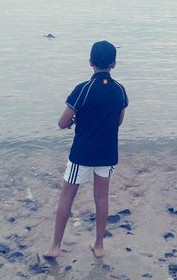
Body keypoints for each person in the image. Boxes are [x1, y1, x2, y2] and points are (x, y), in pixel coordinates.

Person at [44, 40, 128, 259]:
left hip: (81, 153)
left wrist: (76, 122)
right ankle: (99, 246)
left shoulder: (83, 89)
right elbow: (118, 122)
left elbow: (63, 123)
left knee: (66, 197)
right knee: (101, 198)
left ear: (90, 62)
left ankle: (55, 246)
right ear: (114, 63)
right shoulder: (120, 91)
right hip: (107, 153)